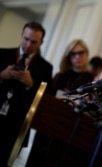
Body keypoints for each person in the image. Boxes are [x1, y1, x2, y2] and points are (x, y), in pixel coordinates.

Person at [26, 39, 102, 167]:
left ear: (87, 54)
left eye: (80, 53)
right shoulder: (60, 76)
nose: (77, 57)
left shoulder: (92, 81)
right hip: (48, 126)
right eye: (73, 54)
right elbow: (47, 100)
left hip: (70, 132)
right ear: (68, 57)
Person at [0, 21, 53, 166]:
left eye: (34, 42)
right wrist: (1, 75)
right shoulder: (2, 54)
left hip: (16, 126)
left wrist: (32, 85)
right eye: (26, 39)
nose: (28, 45)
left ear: (41, 42)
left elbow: (45, 101)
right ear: (21, 35)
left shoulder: (46, 68)